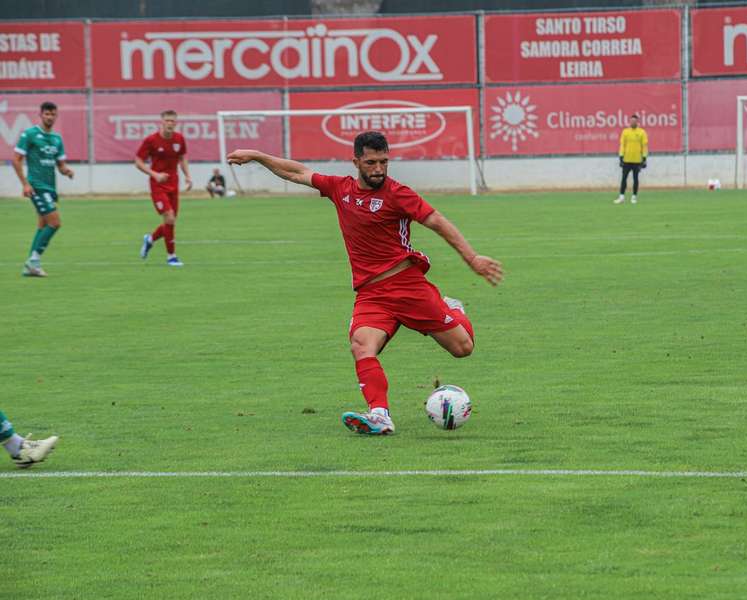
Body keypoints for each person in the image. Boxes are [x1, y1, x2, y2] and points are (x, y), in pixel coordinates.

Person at [227, 131, 503, 435]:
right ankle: (380, 414)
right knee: (361, 346)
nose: (379, 169)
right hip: (371, 294)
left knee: (463, 348)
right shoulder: (339, 189)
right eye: (371, 162)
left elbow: (437, 221)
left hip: (407, 286)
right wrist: (257, 155)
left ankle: (453, 308)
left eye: (384, 161)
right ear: (356, 161)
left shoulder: (398, 194)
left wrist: (472, 258)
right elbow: (297, 172)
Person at [12, 101, 75, 277]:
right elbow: (16, 159)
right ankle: (33, 260)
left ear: (56, 115)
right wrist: (25, 183)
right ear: (40, 115)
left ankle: (31, 265)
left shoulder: (57, 139)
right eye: (46, 114)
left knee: (42, 224)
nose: (49, 117)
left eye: (52, 114)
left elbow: (60, 165)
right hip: (37, 187)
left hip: (50, 188)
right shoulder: (30, 134)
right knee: (55, 223)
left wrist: (67, 171)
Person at [135, 110, 192, 267]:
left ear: (176, 122)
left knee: (170, 221)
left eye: (173, 121)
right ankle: (171, 256)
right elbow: (138, 161)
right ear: (161, 121)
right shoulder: (151, 140)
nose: (170, 123)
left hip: (174, 184)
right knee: (170, 217)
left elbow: (182, 158)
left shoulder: (179, 139)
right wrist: (154, 174)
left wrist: (188, 175)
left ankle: (150, 239)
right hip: (158, 185)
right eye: (167, 120)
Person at [615, 114, 648, 205]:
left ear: (637, 122)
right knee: (624, 178)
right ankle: (621, 197)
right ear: (629, 122)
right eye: (631, 121)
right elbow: (622, 145)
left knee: (635, 179)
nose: (633, 122)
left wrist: (644, 158)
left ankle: (634, 197)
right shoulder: (625, 132)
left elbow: (644, 146)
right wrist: (621, 157)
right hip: (626, 159)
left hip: (637, 160)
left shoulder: (642, 132)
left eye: (634, 121)